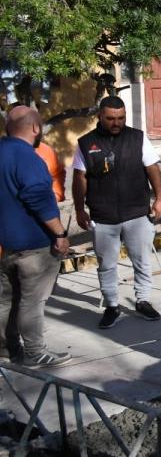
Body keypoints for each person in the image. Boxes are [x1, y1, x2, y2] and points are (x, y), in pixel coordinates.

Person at [71, 97, 161, 329]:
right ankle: (112, 306)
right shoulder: (86, 143)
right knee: (106, 264)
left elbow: (152, 168)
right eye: (110, 118)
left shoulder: (138, 138)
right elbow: (79, 178)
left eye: (121, 118)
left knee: (142, 260)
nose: (116, 123)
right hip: (103, 217)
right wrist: (80, 209)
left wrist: (160, 199)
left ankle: (142, 300)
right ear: (100, 117)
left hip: (137, 213)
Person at [0, 106, 73, 367]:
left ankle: (7, 349)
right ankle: (35, 352)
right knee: (32, 301)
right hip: (35, 245)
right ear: (34, 128)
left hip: (7, 244)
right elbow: (37, 197)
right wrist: (60, 233)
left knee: (6, 301)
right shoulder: (28, 157)